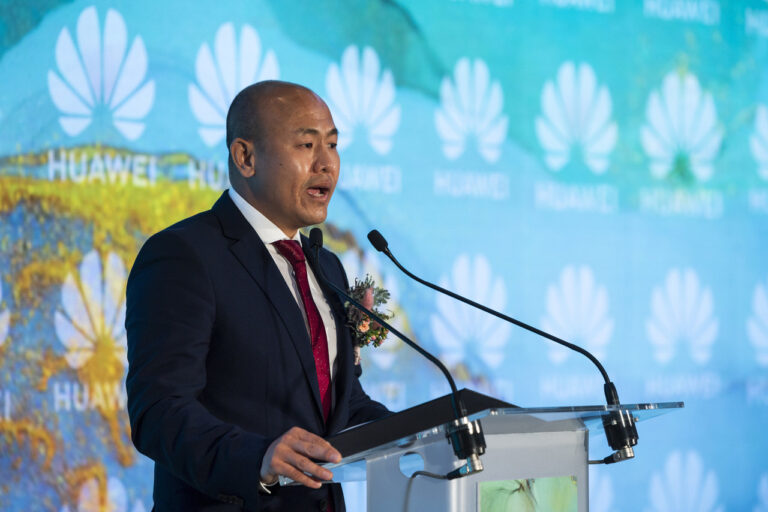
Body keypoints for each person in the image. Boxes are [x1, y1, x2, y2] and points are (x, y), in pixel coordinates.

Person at [125, 80, 389, 511]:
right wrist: (257, 459)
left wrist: (422, 434)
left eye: (333, 145)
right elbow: (159, 411)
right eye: (307, 145)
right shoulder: (184, 255)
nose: (327, 163)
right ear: (245, 157)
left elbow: (340, 406)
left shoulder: (326, 267)